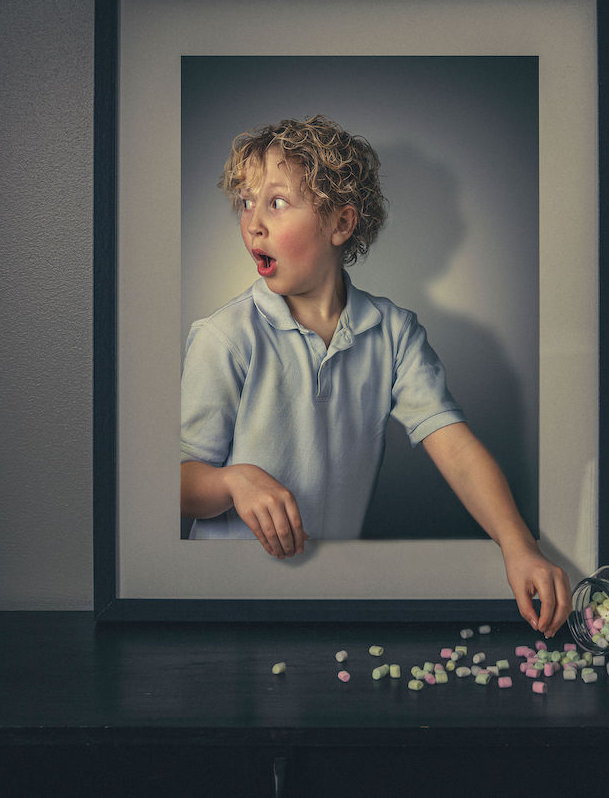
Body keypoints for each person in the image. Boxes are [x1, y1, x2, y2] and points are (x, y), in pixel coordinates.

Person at [179, 116, 569, 636]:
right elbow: (175, 484)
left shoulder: (394, 332)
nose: (252, 223)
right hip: (222, 603)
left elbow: (453, 447)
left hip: (329, 599)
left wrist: (520, 547)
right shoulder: (223, 337)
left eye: (275, 202)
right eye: (245, 202)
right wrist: (232, 480)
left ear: (341, 224)